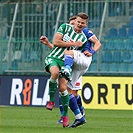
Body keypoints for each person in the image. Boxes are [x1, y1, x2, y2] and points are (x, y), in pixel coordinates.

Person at [41, 12, 89, 127]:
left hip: (68, 65)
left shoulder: (83, 38)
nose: (79, 24)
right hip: (55, 60)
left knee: (65, 90)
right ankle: (52, 101)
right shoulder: (64, 27)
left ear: (85, 24)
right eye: (77, 22)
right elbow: (57, 43)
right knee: (56, 74)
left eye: (82, 23)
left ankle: (67, 116)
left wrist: (88, 52)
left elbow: (76, 54)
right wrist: (72, 43)